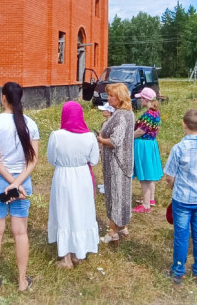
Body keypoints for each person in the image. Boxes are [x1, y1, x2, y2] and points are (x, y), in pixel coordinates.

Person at [0, 82, 39, 294]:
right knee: (20, 232)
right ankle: (22, 280)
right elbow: (33, 161)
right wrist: (17, 183)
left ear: (3, 98)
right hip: (22, 182)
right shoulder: (30, 124)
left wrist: (10, 183)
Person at [163, 109, 197, 287]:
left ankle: (178, 272)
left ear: (184, 125)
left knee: (181, 235)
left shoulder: (178, 148)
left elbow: (169, 175)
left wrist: (172, 186)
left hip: (183, 198)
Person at [47, 101, 100, 268]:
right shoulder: (90, 136)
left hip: (63, 177)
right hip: (82, 177)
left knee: (64, 213)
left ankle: (66, 257)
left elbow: (51, 159)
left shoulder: (56, 136)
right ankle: (79, 253)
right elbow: (94, 160)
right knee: (81, 212)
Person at [96, 83, 135, 244]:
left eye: (111, 96)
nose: (108, 98)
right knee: (122, 195)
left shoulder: (121, 115)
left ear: (120, 97)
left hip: (117, 162)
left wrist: (100, 139)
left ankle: (113, 232)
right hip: (122, 160)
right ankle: (123, 226)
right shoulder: (127, 113)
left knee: (116, 196)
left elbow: (115, 141)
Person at [132, 87, 163, 213]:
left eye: (141, 98)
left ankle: (145, 205)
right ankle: (150, 198)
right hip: (151, 144)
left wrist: (127, 136)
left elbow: (140, 131)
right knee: (150, 172)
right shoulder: (156, 113)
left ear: (145, 99)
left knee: (144, 174)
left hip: (143, 145)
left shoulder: (148, 115)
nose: (140, 101)